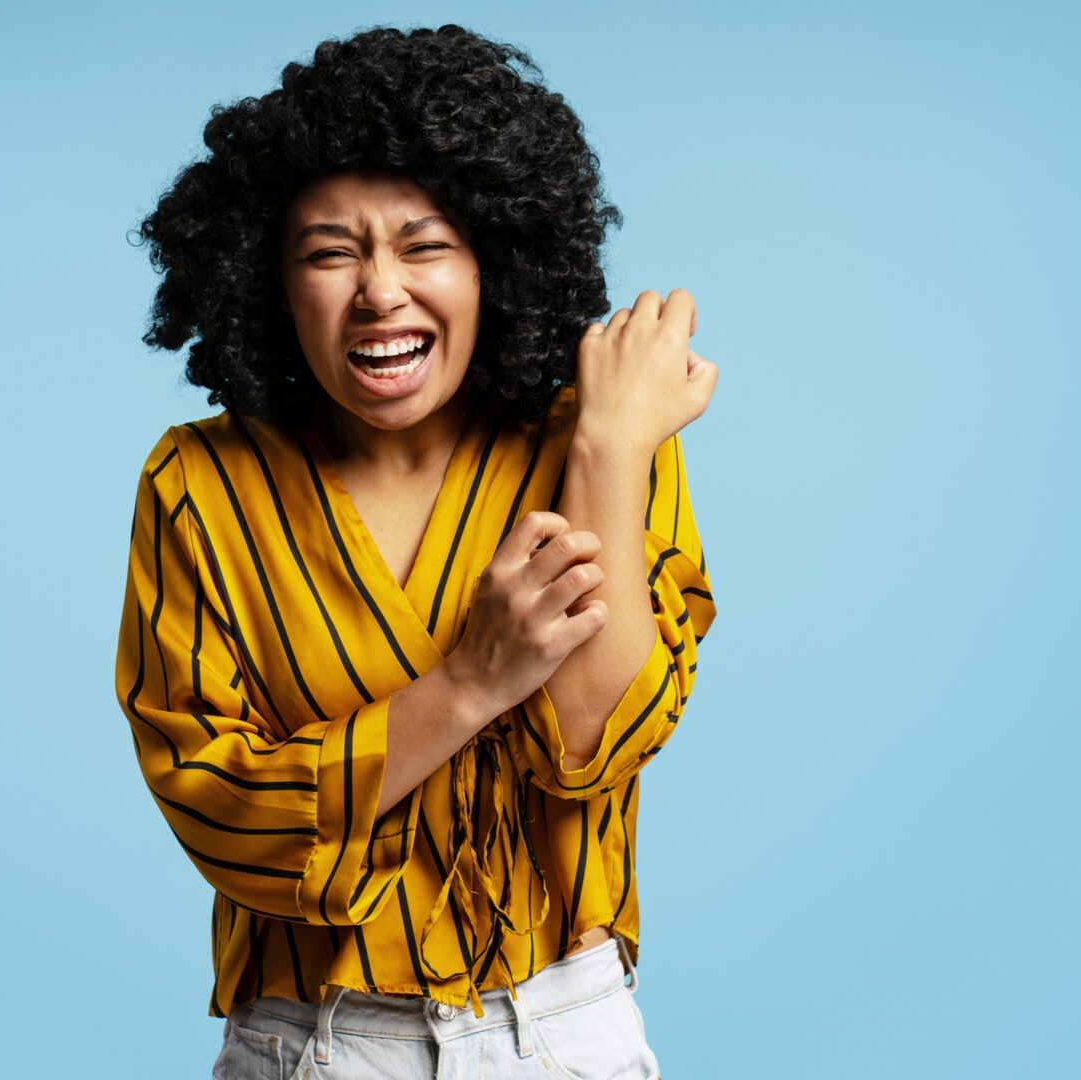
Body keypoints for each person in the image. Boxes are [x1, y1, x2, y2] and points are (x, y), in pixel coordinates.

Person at [117, 23, 719, 1079]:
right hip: (313, 1041)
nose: (379, 291)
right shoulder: (200, 486)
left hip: (564, 1032)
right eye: (329, 252)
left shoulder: (598, 440)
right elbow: (226, 815)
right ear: (269, 280)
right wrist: (469, 685)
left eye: (425, 243)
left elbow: (597, 745)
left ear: (495, 261)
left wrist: (616, 445)